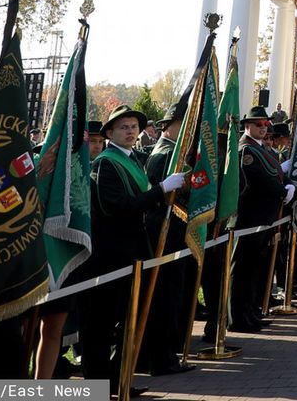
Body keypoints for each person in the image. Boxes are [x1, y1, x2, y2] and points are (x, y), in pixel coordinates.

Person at [84, 105, 186, 397]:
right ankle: (98, 385)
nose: (130, 131)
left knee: (126, 319)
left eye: (133, 127)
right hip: (111, 252)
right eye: (123, 127)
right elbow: (116, 207)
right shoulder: (106, 163)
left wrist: (161, 194)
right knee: (103, 323)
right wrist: (160, 191)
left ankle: (119, 380)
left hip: (133, 249)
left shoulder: (133, 160)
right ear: (109, 134)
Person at [140, 101, 194, 377]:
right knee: (164, 298)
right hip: (164, 231)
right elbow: (162, 194)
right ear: (166, 126)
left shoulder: (176, 152)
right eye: (181, 124)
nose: (186, 129)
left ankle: (164, 354)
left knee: (173, 295)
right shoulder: (164, 154)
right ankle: (160, 358)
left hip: (175, 231)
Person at [231, 106, 290, 334]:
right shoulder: (246, 150)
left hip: (263, 217)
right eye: (258, 124)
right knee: (243, 269)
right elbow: (259, 180)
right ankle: (238, 316)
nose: (263, 129)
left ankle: (251, 311)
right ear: (247, 126)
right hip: (250, 217)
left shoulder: (259, 149)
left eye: (266, 125)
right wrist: (282, 191)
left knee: (253, 268)